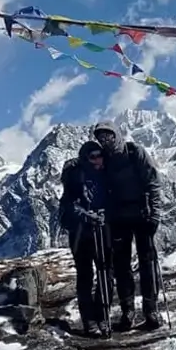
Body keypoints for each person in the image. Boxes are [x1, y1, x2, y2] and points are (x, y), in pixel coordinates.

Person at [91, 120, 163, 330]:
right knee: (122, 266)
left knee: (147, 263)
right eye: (100, 137)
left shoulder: (135, 153)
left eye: (108, 135)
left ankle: (151, 310)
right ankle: (128, 311)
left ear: (116, 134)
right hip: (118, 218)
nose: (105, 140)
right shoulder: (104, 160)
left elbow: (152, 183)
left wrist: (155, 216)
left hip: (142, 214)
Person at [57, 140, 114, 337]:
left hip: (102, 229)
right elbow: (69, 204)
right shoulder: (75, 175)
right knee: (85, 276)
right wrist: (88, 216)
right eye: (93, 156)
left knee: (106, 272)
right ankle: (89, 320)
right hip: (81, 232)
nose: (98, 159)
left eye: (100, 155)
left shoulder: (106, 173)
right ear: (86, 158)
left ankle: (103, 316)